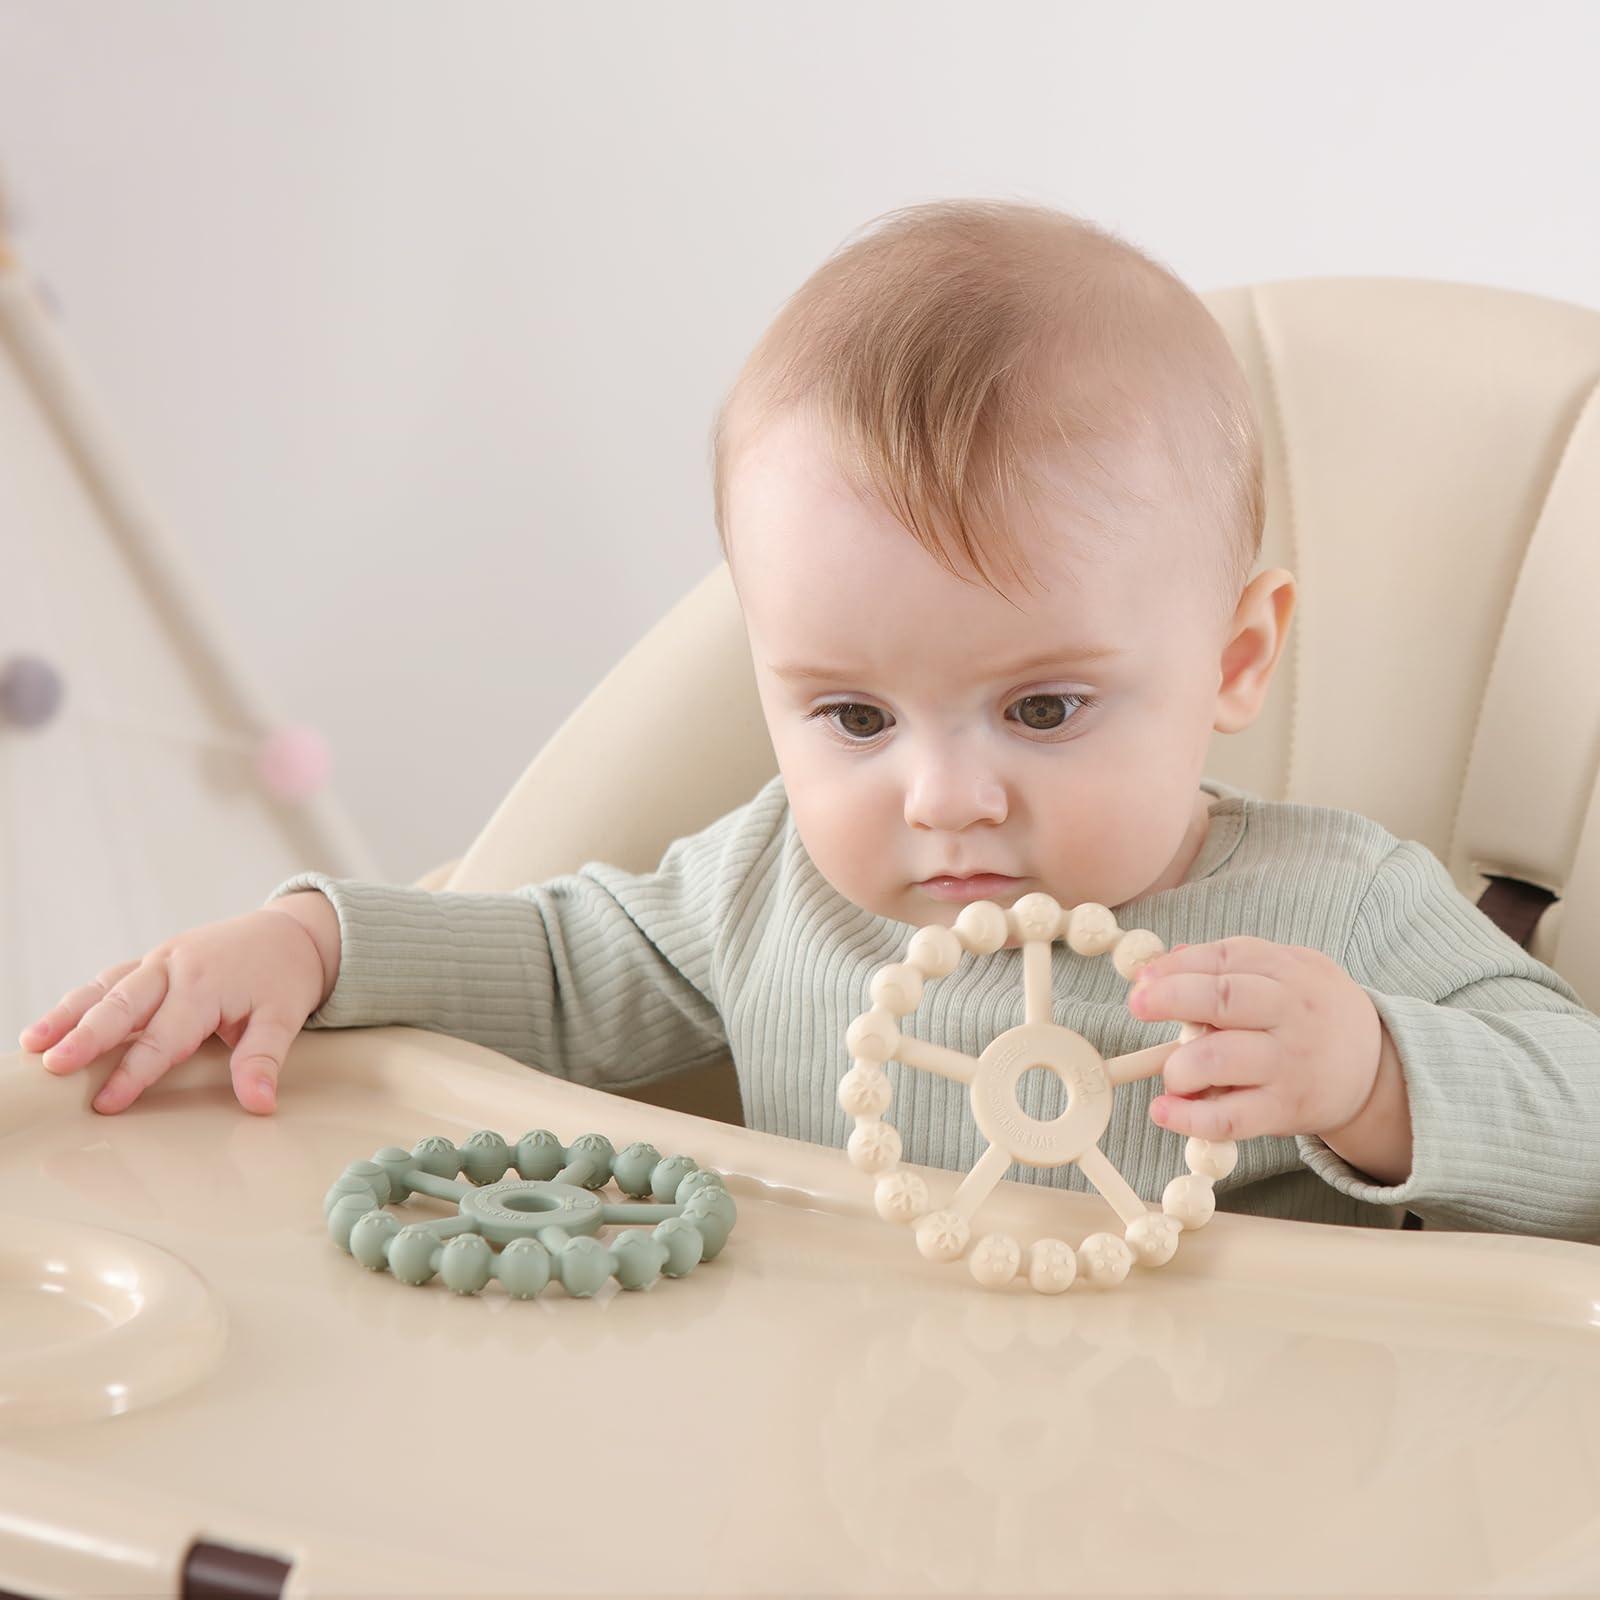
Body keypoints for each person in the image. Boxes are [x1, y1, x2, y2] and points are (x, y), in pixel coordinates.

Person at [20, 199, 1600, 1241]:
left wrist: (1376, 1079)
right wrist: (315, 946)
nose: (943, 796)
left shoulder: (1334, 912)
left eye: (1042, 706)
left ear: (1238, 658)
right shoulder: (771, 891)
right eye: (852, 715)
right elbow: (560, 965)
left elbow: (1583, 1116)